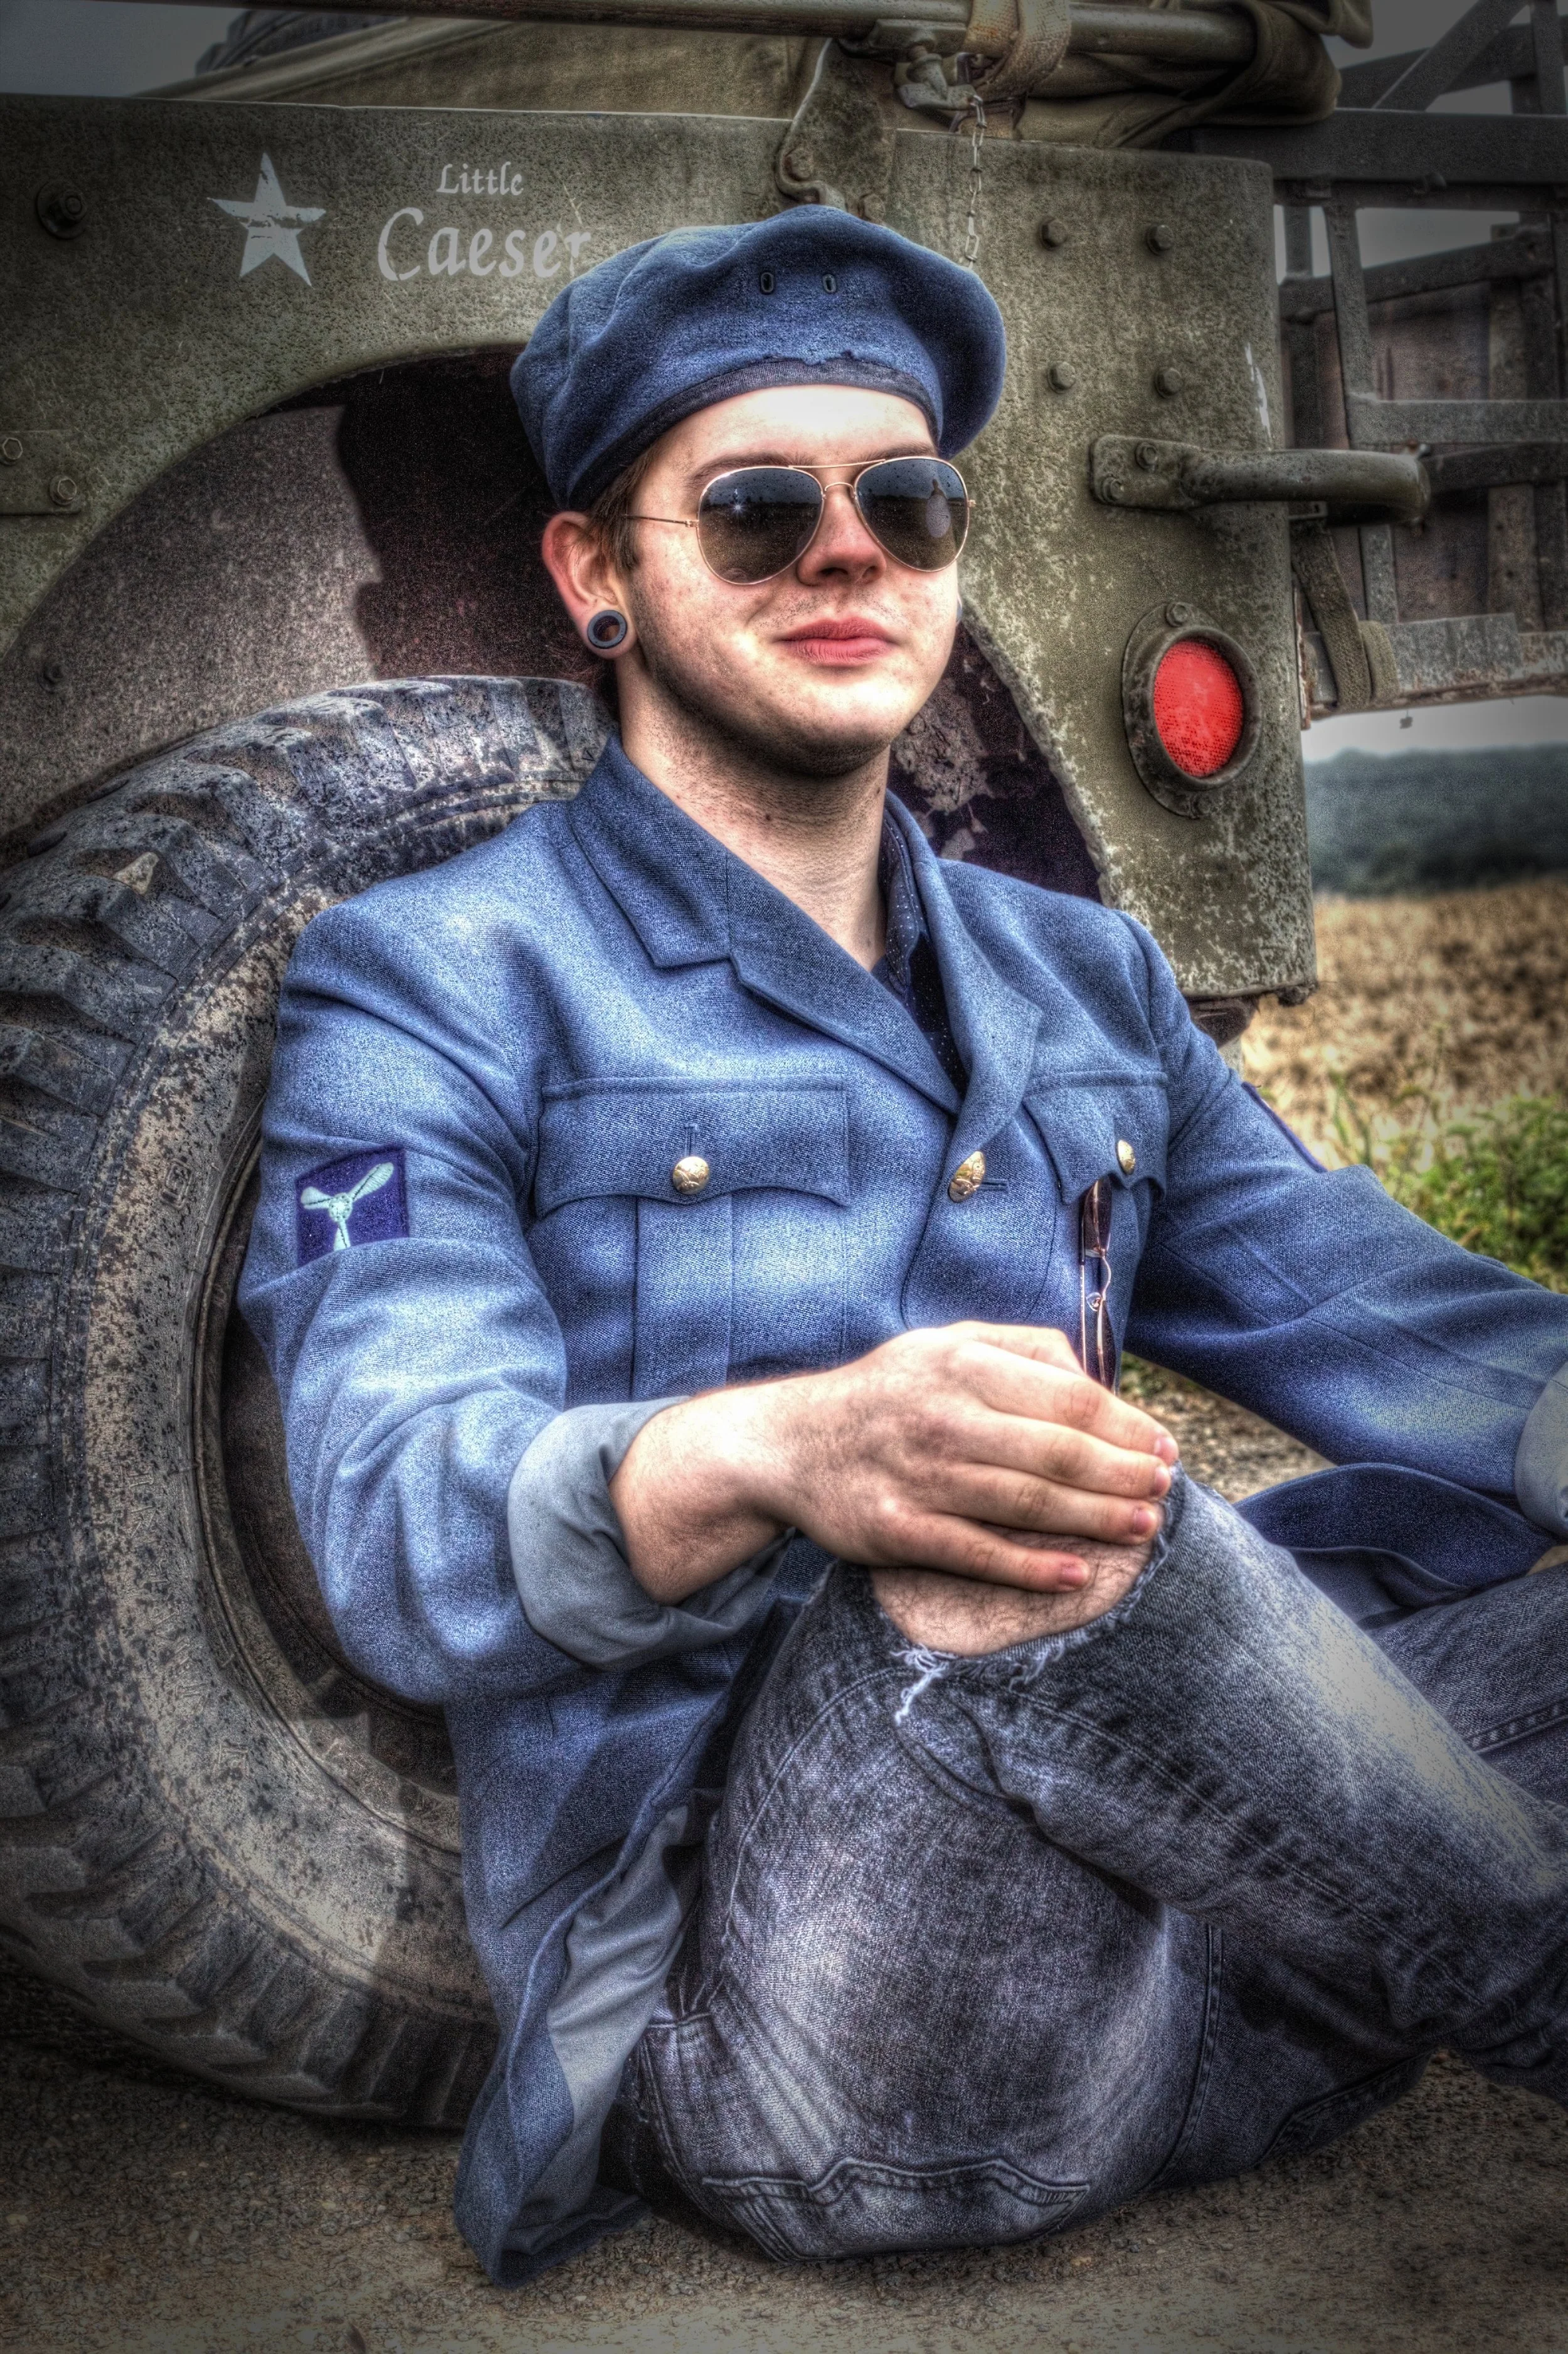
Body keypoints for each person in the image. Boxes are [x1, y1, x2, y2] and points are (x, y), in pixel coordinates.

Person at [238, 208, 1568, 2286]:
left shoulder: (1083, 977)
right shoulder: (432, 981)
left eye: (907, 503)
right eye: (756, 510)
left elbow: (1387, 1315)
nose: (845, 554)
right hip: (810, 2043)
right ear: (596, 575)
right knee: (1020, 1508)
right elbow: (397, 1524)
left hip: (1178, 1988)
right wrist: (780, 1452)